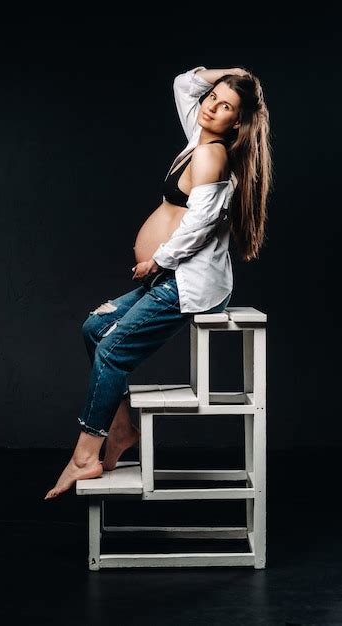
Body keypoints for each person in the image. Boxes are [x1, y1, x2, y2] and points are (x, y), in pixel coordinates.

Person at [44, 64, 272, 500]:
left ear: (236, 122)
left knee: (111, 349)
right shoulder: (198, 140)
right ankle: (123, 427)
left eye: (226, 106)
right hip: (171, 274)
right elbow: (183, 85)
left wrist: (157, 261)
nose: (211, 106)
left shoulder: (213, 154)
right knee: (95, 329)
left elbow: (200, 225)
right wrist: (231, 74)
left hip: (186, 282)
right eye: (213, 98)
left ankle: (84, 456)